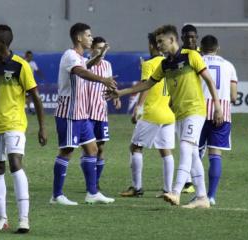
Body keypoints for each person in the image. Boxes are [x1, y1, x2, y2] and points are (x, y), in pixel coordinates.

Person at [105, 25, 223, 208]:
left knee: (185, 147)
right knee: (192, 154)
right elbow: (146, 85)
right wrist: (121, 93)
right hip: (179, 114)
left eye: (161, 41)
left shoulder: (191, 56)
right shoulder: (165, 64)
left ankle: (175, 192)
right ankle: (202, 197)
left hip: (195, 111)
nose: (158, 45)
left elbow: (209, 79)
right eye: (157, 42)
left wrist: (217, 106)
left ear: (172, 40)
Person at [0, 24, 47, 233]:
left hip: (14, 124)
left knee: (15, 163)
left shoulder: (21, 66)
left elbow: (36, 98)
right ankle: (2, 218)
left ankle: (23, 219)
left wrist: (42, 128)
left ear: (2, 43)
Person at [50, 23, 116, 206]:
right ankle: (56, 195)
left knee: (92, 149)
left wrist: (100, 56)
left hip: (82, 113)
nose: (91, 38)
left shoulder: (79, 57)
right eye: (88, 35)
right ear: (79, 38)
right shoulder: (69, 55)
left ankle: (92, 193)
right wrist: (103, 79)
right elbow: (81, 71)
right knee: (67, 151)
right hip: (69, 112)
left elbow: (86, 65)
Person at [120, 33, 175, 198]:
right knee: (166, 151)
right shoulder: (170, 64)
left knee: (135, 147)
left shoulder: (149, 64)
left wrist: (138, 107)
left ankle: (137, 188)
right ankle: (168, 190)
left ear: (152, 46)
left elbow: (146, 86)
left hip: (152, 113)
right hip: (168, 114)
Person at [199, 35, 238, 205]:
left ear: (201, 47)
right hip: (221, 113)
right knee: (215, 154)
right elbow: (234, 97)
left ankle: (193, 191)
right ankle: (211, 196)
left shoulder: (197, 61)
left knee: (194, 153)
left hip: (198, 112)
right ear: (218, 48)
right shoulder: (229, 65)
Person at [86, 36, 121, 190]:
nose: (102, 51)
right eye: (98, 48)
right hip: (86, 113)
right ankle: (91, 183)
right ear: (91, 49)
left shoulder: (107, 65)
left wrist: (115, 95)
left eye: (103, 48)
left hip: (101, 112)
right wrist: (101, 54)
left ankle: (95, 182)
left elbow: (109, 83)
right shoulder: (84, 64)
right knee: (90, 149)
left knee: (100, 149)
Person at [180, 24, 199, 193]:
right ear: (182, 38)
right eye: (187, 37)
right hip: (182, 109)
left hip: (198, 109)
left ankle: (179, 188)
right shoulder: (179, 56)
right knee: (191, 148)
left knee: (190, 147)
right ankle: (191, 185)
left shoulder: (198, 55)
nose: (191, 40)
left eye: (193, 37)